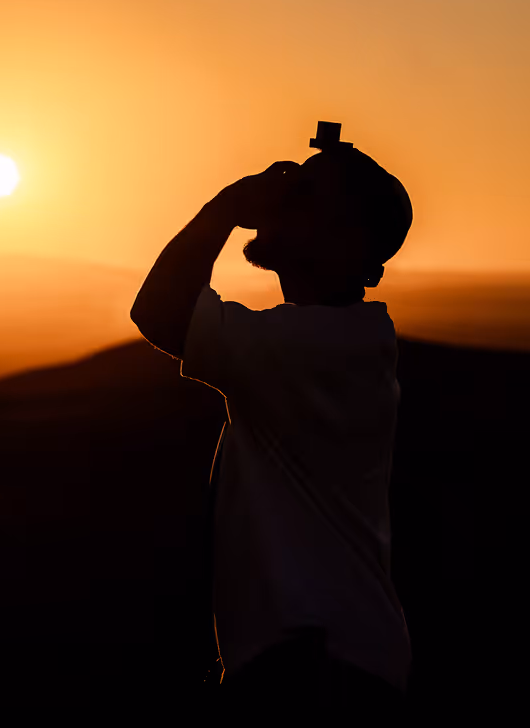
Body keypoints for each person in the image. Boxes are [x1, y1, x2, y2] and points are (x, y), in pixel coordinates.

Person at [130, 140, 413, 724]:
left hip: (315, 664)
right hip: (331, 659)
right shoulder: (345, 344)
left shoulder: (316, 348)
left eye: (305, 195)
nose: (281, 198)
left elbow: (160, 308)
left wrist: (228, 205)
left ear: (349, 243)